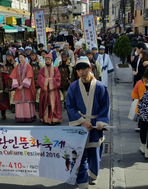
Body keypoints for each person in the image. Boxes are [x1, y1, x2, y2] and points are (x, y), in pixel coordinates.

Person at [66, 56, 110, 188]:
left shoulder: (100, 87)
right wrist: (82, 121)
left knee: (95, 153)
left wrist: (102, 121)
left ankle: (94, 175)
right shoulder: (73, 87)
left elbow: (105, 106)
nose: (81, 72)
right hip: (80, 126)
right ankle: (82, 180)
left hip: (96, 124)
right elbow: (69, 106)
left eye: (84, 68)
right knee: (80, 154)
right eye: (78, 69)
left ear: (90, 68)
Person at [10, 53, 37, 122]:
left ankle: (29, 116)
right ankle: (20, 117)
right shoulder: (16, 67)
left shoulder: (28, 66)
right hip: (19, 87)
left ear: (25, 58)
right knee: (20, 102)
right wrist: (16, 85)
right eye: (19, 58)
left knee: (27, 102)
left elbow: (29, 76)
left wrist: (23, 85)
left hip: (26, 88)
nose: (21, 59)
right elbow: (14, 76)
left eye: (22, 57)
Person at [38, 53, 62, 124]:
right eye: (46, 59)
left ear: (51, 60)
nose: (47, 61)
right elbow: (40, 78)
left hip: (53, 91)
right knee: (45, 103)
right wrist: (49, 81)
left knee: (53, 104)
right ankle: (45, 118)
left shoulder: (56, 70)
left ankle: (53, 119)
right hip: (45, 90)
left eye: (49, 59)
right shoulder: (42, 70)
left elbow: (58, 79)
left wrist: (47, 81)